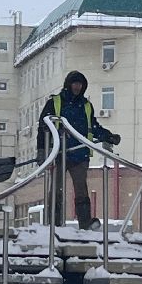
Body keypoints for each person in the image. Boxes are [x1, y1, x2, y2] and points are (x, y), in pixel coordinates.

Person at [36, 71, 120, 230]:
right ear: (69, 84)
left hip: (80, 154)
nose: (77, 86)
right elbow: (43, 127)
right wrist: (41, 150)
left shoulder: (86, 106)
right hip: (59, 154)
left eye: (80, 84)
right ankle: (55, 222)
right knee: (56, 188)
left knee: (81, 188)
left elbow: (93, 126)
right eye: (74, 83)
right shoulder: (55, 102)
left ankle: (85, 222)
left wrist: (108, 136)